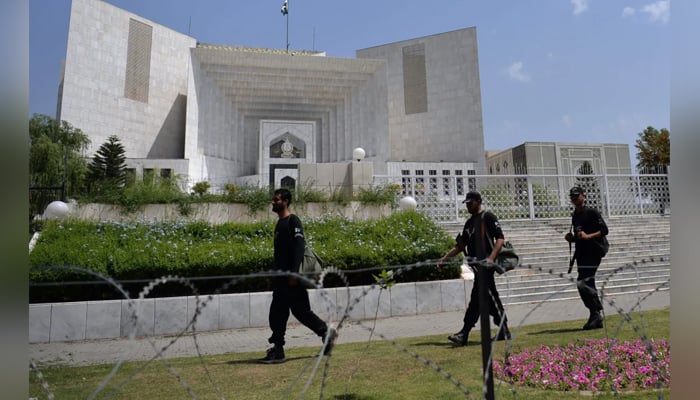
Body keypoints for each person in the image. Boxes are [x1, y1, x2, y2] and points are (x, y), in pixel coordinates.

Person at [259, 188, 337, 364]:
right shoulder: (279, 224)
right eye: (273, 200)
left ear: (285, 201)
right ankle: (325, 333)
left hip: (291, 278)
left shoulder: (293, 221)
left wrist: (294, 274)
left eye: (277, 200)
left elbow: (299, 247)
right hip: (281, 278)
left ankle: (279, 349)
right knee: (293, 311)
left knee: (290, 312)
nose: (273, 202)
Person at [437, 191, 511, 346]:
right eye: (467, 203)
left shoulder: (488, 217)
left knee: (476, 301)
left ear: (479, 201)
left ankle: (464, 333)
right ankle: (503, 330)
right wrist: (444, 259)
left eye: (471, 202)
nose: (468, 205)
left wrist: (491, 258)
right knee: (490, 300)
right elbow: (460, 246)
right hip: (477, 268)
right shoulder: (469, 223)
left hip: (486, 267)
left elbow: (500, 239)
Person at [564, 186, 608, 330]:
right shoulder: (575, 214)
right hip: (582, 252)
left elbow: (604, 230)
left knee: (584, 281)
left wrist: (588, 236)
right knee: (585, 282)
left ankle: (596, 313)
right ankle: (594, 314)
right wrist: (572, 238)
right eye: (572, 197)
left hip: (594, 251)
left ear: (584, 196)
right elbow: (579, 235)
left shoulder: (592, 212)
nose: (574, 199)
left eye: (577, 196)